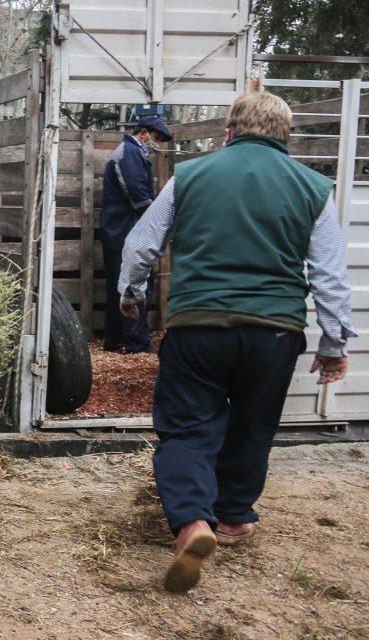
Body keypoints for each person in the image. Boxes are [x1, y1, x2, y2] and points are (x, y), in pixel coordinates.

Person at [118, 92, 356, 593]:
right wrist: (333, 342)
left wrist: (131, 293)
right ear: (285, 136)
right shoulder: (314, 187)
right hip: (275, 330)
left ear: (228, 132)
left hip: (198, 325)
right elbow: (331, 274)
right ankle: (232, 518)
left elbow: (142, 243)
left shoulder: (191, 176)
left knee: (186, 428)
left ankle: (191, 522)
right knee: (253, 424)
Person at [101, 114, 174, 354]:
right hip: (126, 228)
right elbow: (138, 195)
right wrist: (161, 217)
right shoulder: (130, 153)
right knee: (135, 283)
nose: (156, 143)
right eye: (155, 137)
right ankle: (135, 346)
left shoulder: (130, 152)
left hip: (118, 228)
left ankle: (114, 341)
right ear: (143, 133)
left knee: (118, 284)